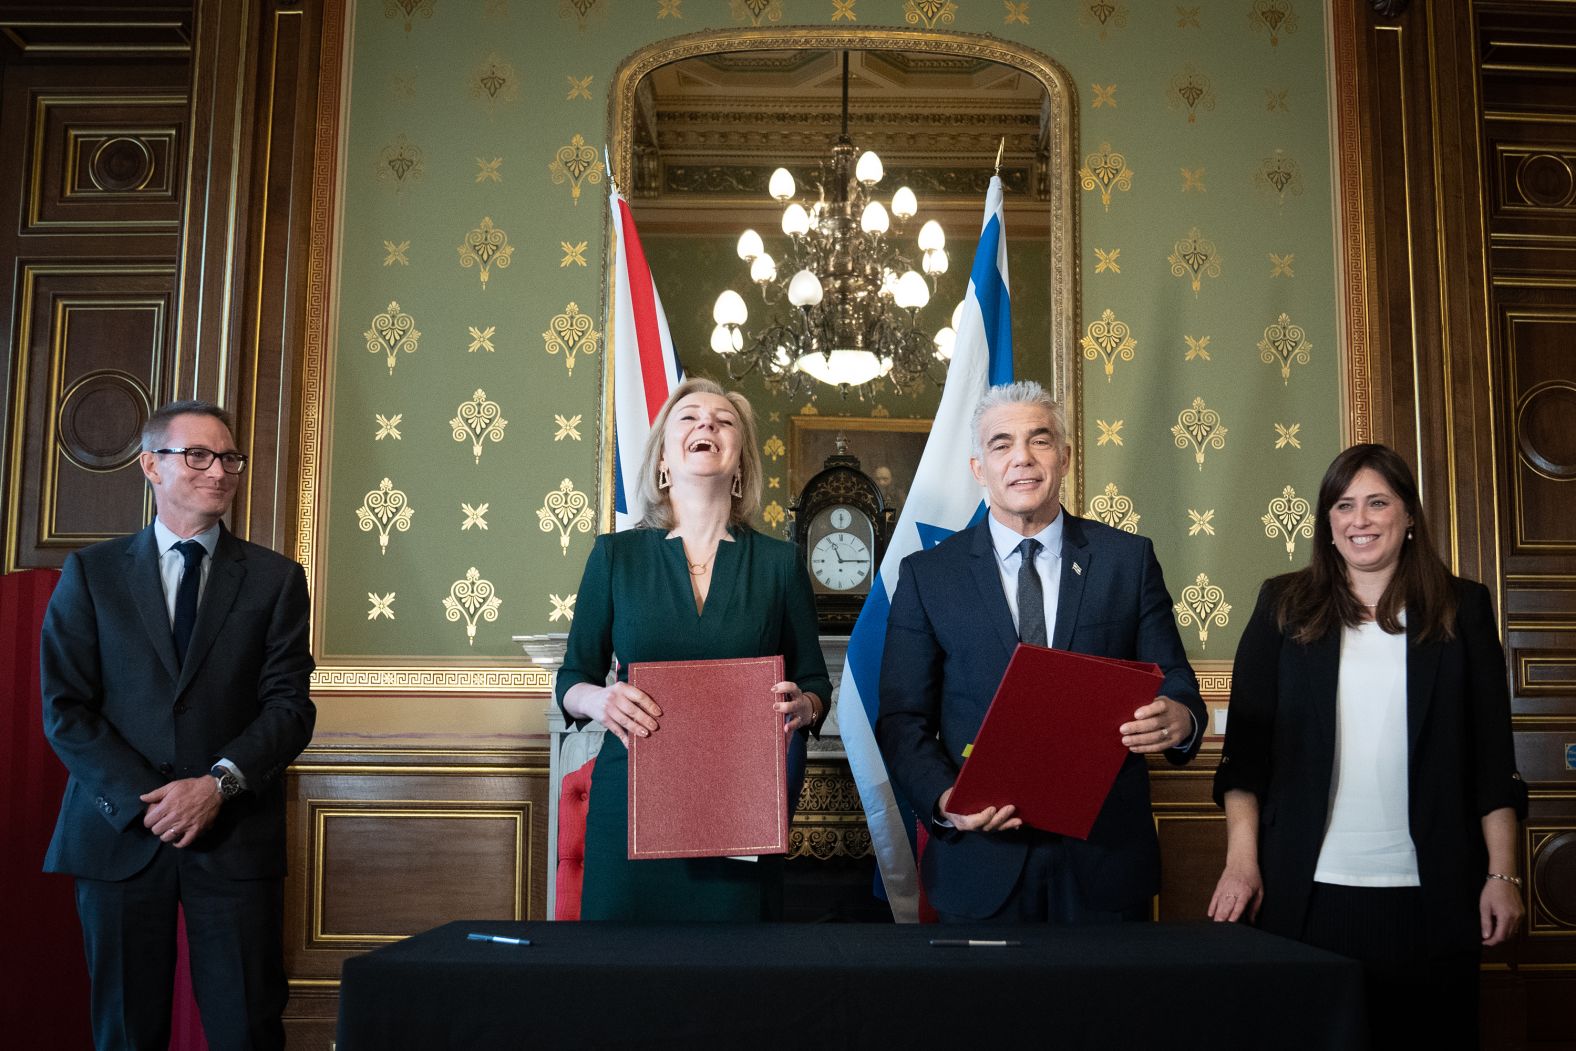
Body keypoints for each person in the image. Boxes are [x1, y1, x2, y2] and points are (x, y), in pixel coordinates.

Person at [1209, 443, 1526, 1046]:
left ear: (1409, 516)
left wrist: (1502, 875)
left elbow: (1493, 759)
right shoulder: (1282, 605)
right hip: (1306, 892)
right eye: (1344, 505)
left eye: (1378, 502)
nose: (1361, 519)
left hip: (1434, 895)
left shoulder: (1464, 609)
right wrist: (1242, 864)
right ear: (1327, 524)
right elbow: (1244, 760)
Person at [41, 400, 315, 1050]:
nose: (218, 470)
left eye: (229, 457)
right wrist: (150, 801)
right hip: (119, 836)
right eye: (197, 454)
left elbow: (289, 709)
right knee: (127, 1033)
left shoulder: (276, 580)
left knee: (247, 1027)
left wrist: (215, 785)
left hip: (234, 835)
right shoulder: (92, 573)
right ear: (150, 465)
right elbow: (65, 708)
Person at [877, 380, 1205, 923]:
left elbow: (1175, 680)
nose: (1022, 459)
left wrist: (1181, 718)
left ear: (1066, 457)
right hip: (980, 863)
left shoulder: (1128, 560)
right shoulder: (927, 576)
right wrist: (945, 801)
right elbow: (901, 719)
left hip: (1105, 861)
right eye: (1002, 444)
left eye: (1041, 440)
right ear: (979, 468)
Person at [556, 377, 831, 921]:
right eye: (690, 417)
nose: (707, 423)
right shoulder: (615, 557)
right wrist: (600, 701)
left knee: (734, 987)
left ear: (741, 462)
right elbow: (571, 679)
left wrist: (806, 706)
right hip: (631, 806)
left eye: (723, 420)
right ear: (663, 457)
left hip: (741, 812)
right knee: (623, 982)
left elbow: (817, 684)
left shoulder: (779, 564)